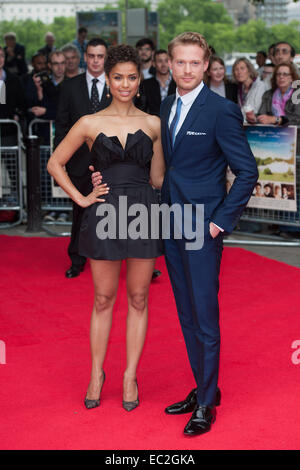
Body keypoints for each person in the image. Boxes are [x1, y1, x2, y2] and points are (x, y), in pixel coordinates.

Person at [47, 44, 165, 412]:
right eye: (118, 77)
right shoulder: (89, 123)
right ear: (108, 79)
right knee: (102, 299)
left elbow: (159, 178)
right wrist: (82, 198)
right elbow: (55, 163)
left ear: (139, 80)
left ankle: (130, 375)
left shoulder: (153, 124)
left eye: (132, 77)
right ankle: (97, 373)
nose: (125, 84)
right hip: (103, 213)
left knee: (139, 298)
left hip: (144, 212)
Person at [159, 32, 258, 436]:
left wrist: (219, 221)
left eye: (194, 63)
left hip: (202, 228)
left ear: (206, 65)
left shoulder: (220, 111)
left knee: (204, 315)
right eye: (179, 62)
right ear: (169, 63)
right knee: (185, 313)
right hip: (170, 223)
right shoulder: (165, 105)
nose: (186, 69)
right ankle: (205, 387)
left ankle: (205, 404)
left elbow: (247, 171)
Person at [54, 37, 111, 278]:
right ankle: (77, 260)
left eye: (100, 56)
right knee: (80, 212)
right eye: (92, 56)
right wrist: (62, 164)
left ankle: (132, 259)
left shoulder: (117, 85)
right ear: (84, 57)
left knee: (116, 213)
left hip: (111, 162)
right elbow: (62, 126)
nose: (96, 60)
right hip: (79, 163)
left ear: (105, 58)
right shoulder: (69, 86)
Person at [257, 62, 300, 127]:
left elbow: (297, 118)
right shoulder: (268, 94)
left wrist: (277, 120)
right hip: (271, 132)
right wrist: (254, 118)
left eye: (285, 74)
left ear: (292, 78)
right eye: (278, 74)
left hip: (295, 134)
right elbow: (262, 115)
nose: (281, 77)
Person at [140, 49, 176, 116]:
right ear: (153, 64)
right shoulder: (145, 85)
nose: (163, 64)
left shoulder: (178, 84)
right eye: (160, 61)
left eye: (166, 61)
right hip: (152, 124)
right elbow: (142, 108)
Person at [232, 57, 266, 124]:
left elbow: (255, 110)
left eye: (242, 68)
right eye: (236, 69)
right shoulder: (240, 87)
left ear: (249, 70)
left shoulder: (260, 85)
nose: (239, 72)